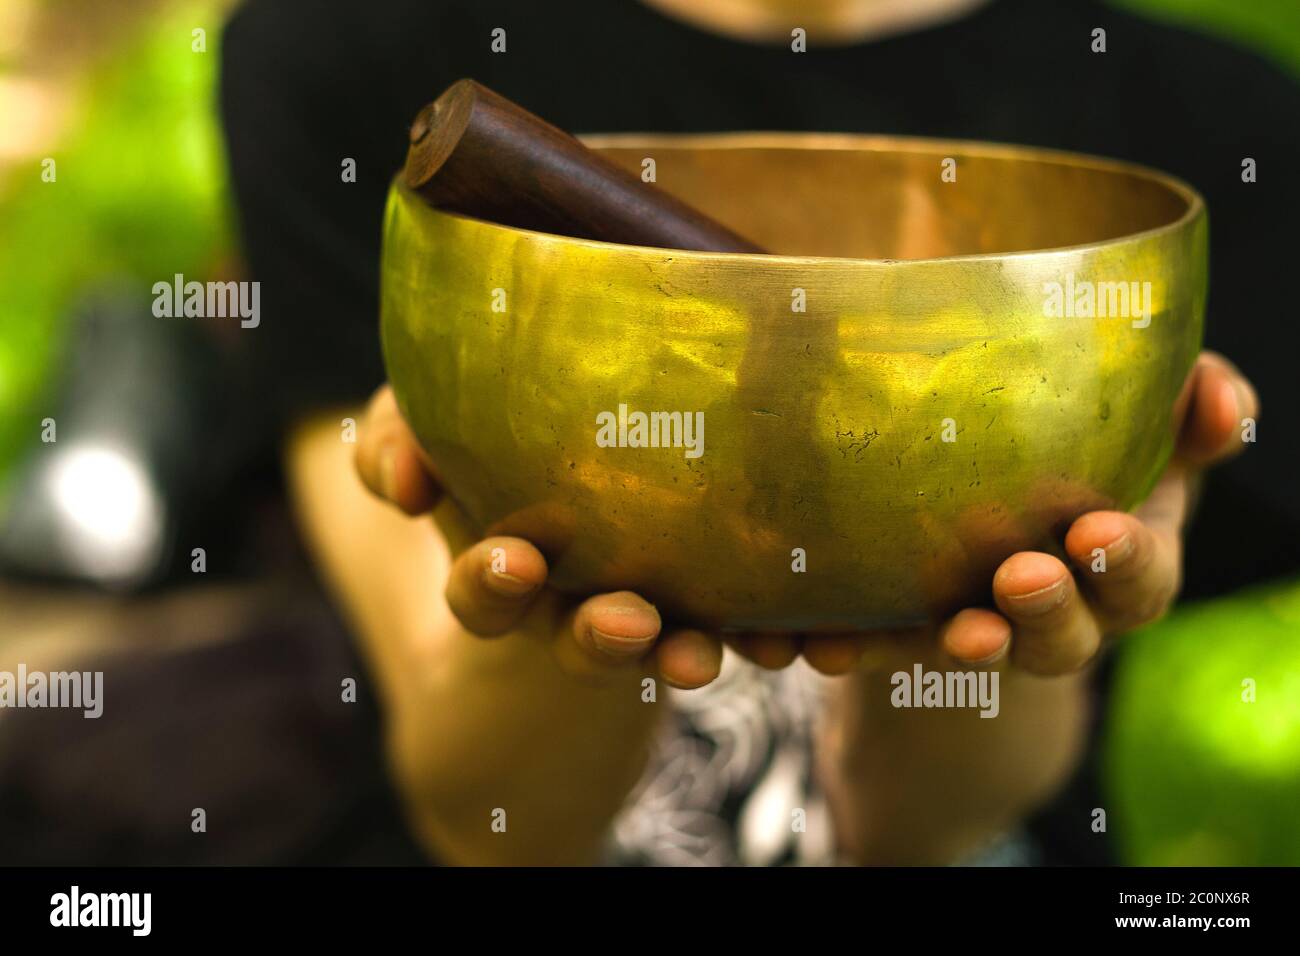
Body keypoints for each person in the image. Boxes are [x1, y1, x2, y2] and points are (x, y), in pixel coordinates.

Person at [215, 0, 1294, 865]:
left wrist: (1022, 603)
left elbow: (914, 834)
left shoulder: (1215, 115)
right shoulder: (349, 47)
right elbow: (488, 823)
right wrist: (556, 604)